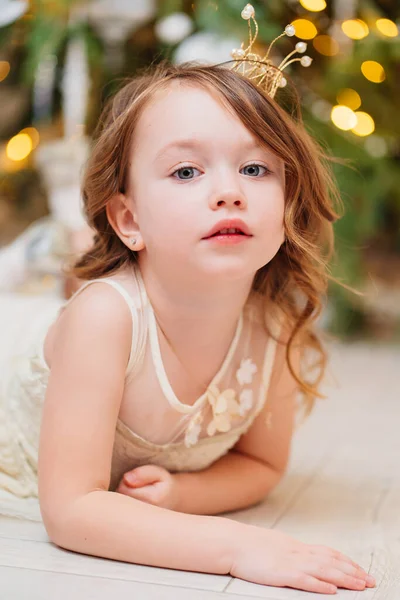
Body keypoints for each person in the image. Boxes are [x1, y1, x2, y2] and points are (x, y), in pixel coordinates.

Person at [0, 58, 376, 595]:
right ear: (129, 220)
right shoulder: (104, 318)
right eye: (186, 171)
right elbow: (70, 510)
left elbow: (262, 465)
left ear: (289, 205)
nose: (229, 192)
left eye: (255, 169)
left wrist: (183, 494)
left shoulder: (272, 325)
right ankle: (35, 255)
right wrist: (237, 546)